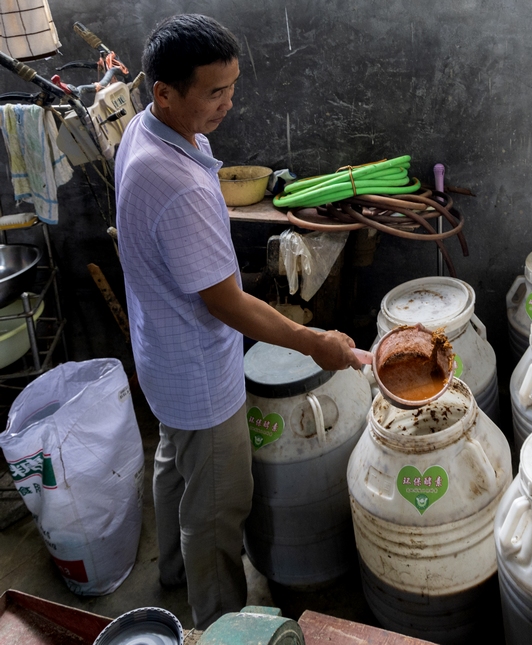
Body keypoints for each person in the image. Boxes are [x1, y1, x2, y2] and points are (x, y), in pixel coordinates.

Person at [114, 14, 361, 630]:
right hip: (198, 372)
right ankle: (221, 625)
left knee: (173, 465)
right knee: (219, 506)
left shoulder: (144, 135)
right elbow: (224, 303)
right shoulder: (175, 182)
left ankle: (171, 571)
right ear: (163, 91)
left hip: (160, 353)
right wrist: (313, 342)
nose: (228, 103)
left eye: (232, 86)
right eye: (213, 92)